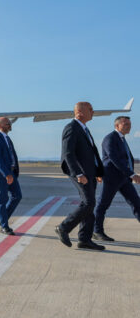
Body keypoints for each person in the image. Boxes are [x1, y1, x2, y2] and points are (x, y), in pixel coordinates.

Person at [55, 102, 105, 250]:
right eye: (90, 109)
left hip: (89, 173)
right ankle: (64, 227)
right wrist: (78, 173)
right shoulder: (71, 128)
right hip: (80, 173)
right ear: (80, 112)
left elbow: (91, 153)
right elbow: (68, 153)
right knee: (88, 203)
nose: (93, 112)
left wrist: (98, 172)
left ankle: (84, 239)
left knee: (89, 204)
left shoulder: (84, 129)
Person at [93, 116, 140, 242]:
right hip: (112, 178)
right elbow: (114, 159)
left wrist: (129, 174)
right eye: (125, 124)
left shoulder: (122, 139)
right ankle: (97, 231)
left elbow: (126, 159)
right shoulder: (110, 139)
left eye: (129, 124)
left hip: (124, 178)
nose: (129, 126)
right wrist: (132, 174)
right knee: (103, 205)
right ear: (117, 125)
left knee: (136, 203)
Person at [0, 117, 21, 236]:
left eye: (10, 123)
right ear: (0, 125)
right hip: (2, 174)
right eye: (8, 123)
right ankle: (4, 226)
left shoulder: (7, 138)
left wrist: (13, 172)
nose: (10, 125)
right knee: (2, 200)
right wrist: (6, 174)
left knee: (17, 196)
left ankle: (2, 218)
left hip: (11, 173)